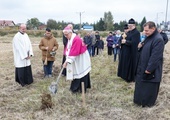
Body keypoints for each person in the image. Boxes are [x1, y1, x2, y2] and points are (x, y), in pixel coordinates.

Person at [134, 21, 164, 107]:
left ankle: (147, 104)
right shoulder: (148, 37)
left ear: (153, 29)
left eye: (147, 30)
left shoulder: (158, 39)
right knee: (141, 85)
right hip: (142, 66)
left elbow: (155, 57)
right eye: (144, 30)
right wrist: (139, 47)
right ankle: (139, 101)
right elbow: (144, 48)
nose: (145, 32)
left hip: (151, 70)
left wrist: (149, 69)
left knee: (148, 88)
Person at [62, 26, 91, 93]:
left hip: (81, 58)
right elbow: (68, 50)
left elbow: (74, 52)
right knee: (76, 72)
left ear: (70, 33)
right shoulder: (70, 39)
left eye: (66, 35)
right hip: (77, 58)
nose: (65, 36)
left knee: (81, 72)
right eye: (64, 35)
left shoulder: (76, 39)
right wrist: (66, 59)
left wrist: (67, 61)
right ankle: (75, 88)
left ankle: (80, 89)